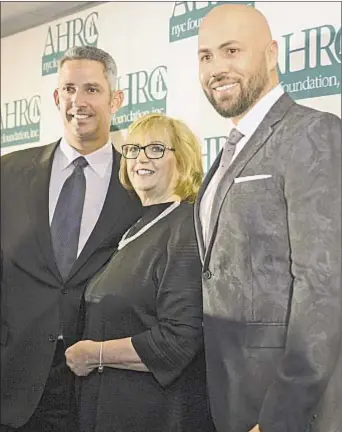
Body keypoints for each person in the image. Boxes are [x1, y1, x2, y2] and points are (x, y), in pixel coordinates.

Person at [195, 4, 341, 432]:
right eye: (205, 56)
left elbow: (324, 287)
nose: (216, 68)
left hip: (288, 410)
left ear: (272, 54)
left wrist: (281, 417)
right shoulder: (230, 151)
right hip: (230, 399)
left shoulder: (313, 132)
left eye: (231, 50)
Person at [0, 46, 141, 432]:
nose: (79, 101)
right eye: (69, 89)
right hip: (12, 382)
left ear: (116, 100)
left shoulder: (138, 184)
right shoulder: (9, 172)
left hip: (99, 383)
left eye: (92, 89)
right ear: (56, 97)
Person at [64, 113, 215, 432]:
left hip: (157, 415)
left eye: (156, 148)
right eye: (132, 149)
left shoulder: (185, 229)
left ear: (183, 160)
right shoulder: (135, 227)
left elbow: (178, 341)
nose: (140, 158)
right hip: (111, 411)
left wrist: (95, 354)